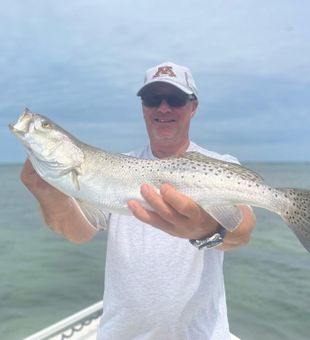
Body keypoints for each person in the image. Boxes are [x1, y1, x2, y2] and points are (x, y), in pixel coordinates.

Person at [21, 62, 256, 340]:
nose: (164, 108)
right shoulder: (115, 167)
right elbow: (77, 232)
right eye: (153, 99)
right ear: (143, 107)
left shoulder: (222, 165)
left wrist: (208, 231)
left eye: (176, 99)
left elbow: (243, 231)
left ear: (193, 107)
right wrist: (48, 193)